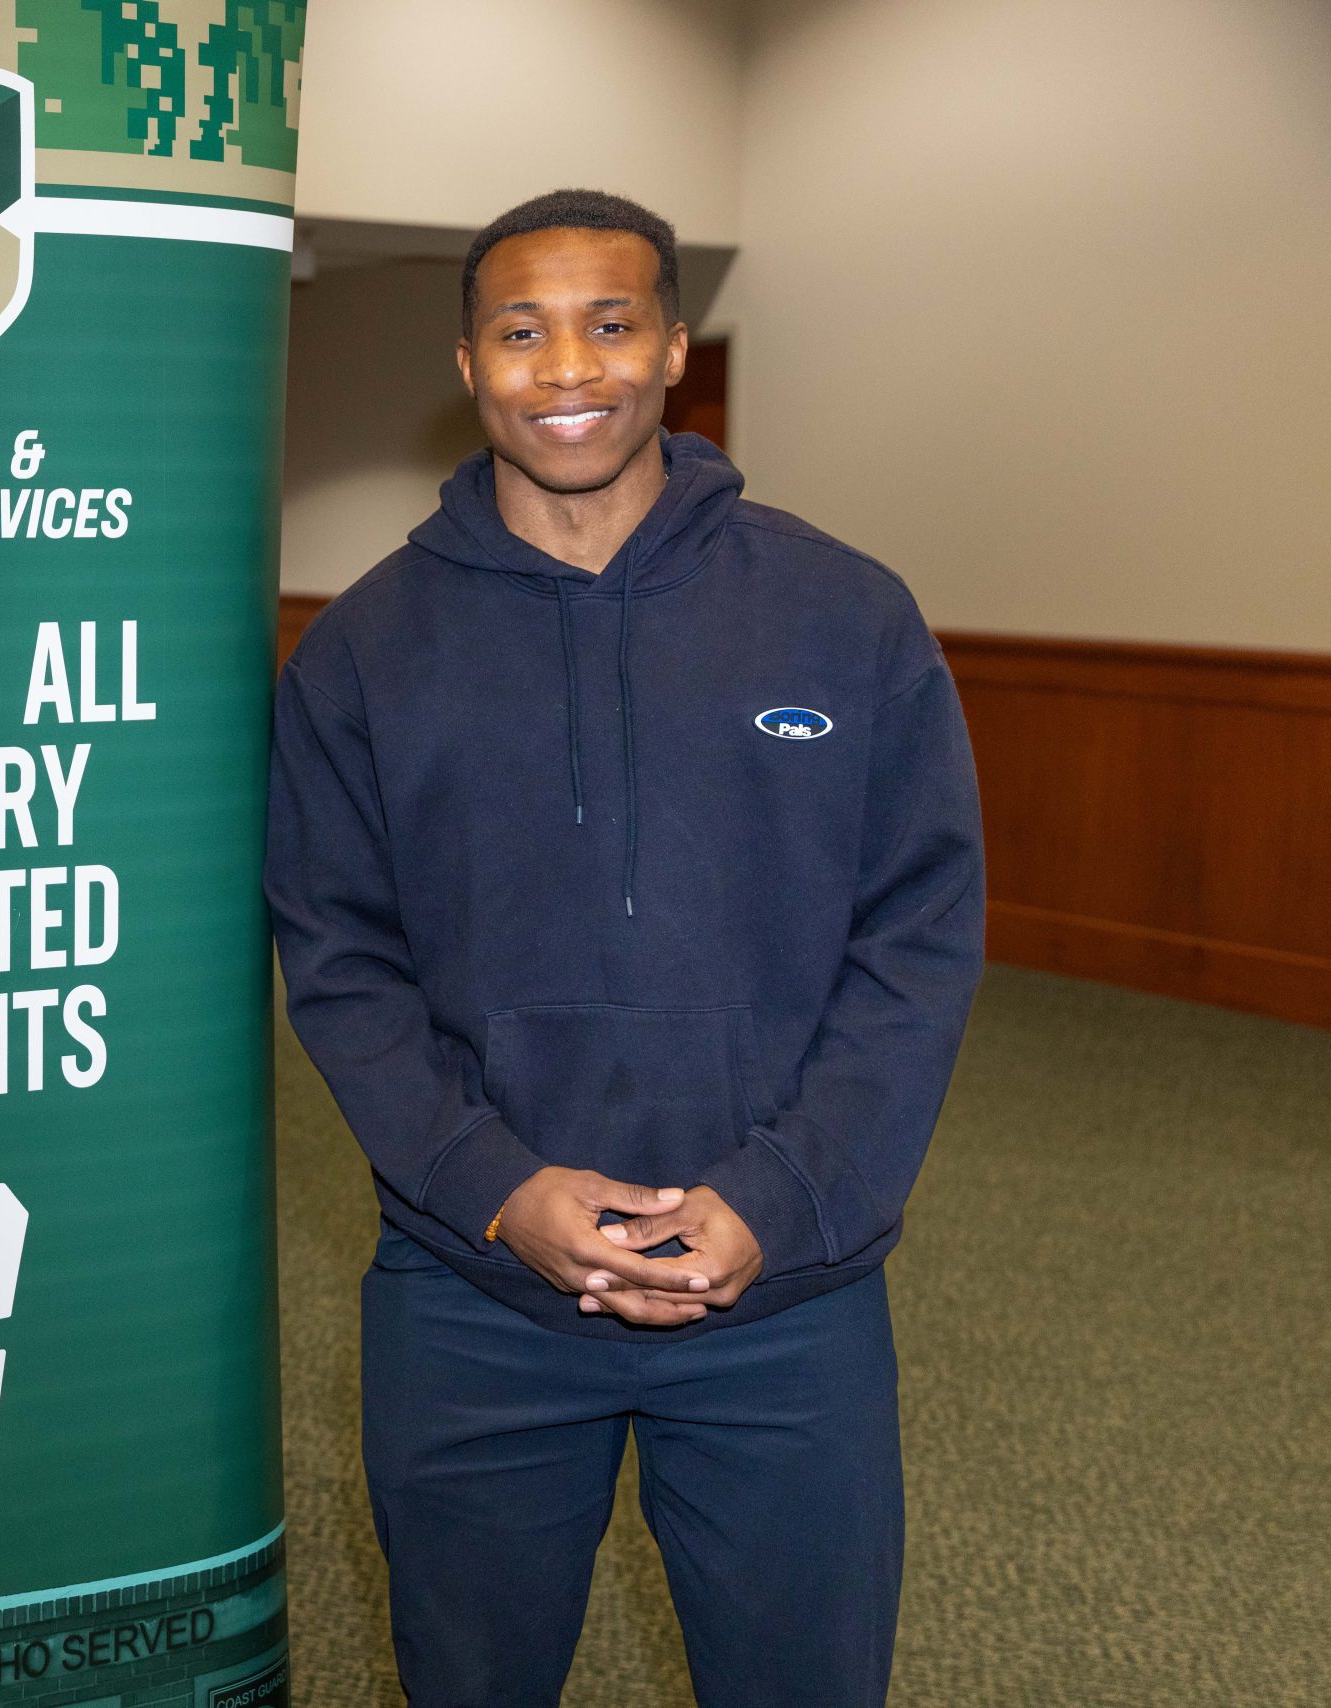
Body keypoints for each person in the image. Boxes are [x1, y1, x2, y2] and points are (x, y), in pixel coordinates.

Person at [264, 188, 985, 1707]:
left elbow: (917, 940)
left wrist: (777, 1199)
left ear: (670, 349)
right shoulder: (364, 653)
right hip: (475, 1294)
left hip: (784, 1297)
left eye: (609, 323)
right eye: (521, 331)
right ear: (468, 364)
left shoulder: (844, 616)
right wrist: (496, 1191)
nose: (567, 365)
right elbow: (339, 960)